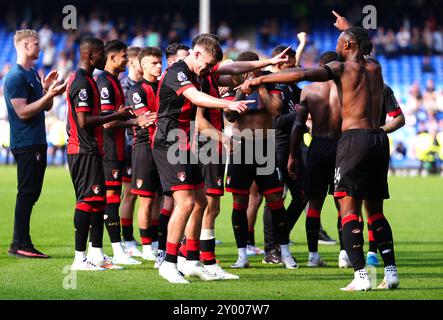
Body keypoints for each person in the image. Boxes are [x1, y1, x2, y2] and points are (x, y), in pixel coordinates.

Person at [240, 23, 399, 291]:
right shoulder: (375, 68)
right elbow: (364, 46)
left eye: (340, 41)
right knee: (376, 212)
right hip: (379, 141)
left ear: (348, 46)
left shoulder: (339, 69)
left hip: (353, 140)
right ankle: (391, 272)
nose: (336, 45)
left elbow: (301, 73)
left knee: (348, 209)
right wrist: (350, 29)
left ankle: (361, 276)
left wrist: (260, 79)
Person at [153, 34, 253, 283]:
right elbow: (196, 99)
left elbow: (233, 67)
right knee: (186, 202)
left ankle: (192, 261)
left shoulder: (197, 74)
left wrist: (268, 62)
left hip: (185, 143)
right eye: (207, 65)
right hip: (169, 142)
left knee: (200, 202)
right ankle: (169, 262)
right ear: (195, 54)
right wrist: (226, 104)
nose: (209, 70)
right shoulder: (177, 72)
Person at [66, 37, 135, 271]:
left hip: (92, 149)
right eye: (101, 54)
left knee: (97, 202)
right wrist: (116, 115)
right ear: (90, 56)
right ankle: (79, 259)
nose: (104, 58)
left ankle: (96, 255)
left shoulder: (88, 80)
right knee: (87, 201)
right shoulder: (82, 83)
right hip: (83, 149)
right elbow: (84, 121)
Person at [225, 50, 298, 270]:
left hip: (265, 145)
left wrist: (260, 84)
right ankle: (242, 254)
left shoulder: (270, 81)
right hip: (241, 146)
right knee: (239, 202)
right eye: (245, 67)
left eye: (253, 67)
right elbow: (230, 116)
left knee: (276, 200)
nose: (250, 71)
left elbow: (276, 110)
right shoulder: (231, 84)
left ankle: (284, 251)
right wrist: (241, 91)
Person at [4, 29, 67, 258]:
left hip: (37, 141)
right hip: (26, 142)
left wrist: (47, 91)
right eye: (36, 44)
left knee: (32, 193)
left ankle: (21, 242)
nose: (40, 47)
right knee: (27, 193)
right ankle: (20, 243)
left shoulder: (32, 73)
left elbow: (46, 108)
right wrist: (48, 96)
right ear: (24, 46)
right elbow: (22, 112)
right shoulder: (15, 76)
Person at [287, 51, 342, 268]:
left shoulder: (309, 90)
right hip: (341, 146)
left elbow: (298, 125)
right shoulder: (347, 91)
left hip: (317, 147)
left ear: (320, 68)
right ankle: (345, 254)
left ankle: (312, 256)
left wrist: (292, 155)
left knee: (314, 203)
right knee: (343, 202)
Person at [95, 39, 144, 265]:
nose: (127, 59)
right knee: (111, 199)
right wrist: (135, 121)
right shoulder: (105, 83)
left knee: (114, 198)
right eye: (124, 56)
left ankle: (104, 250)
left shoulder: (113, 81)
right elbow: (106, 123)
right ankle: (117, 250)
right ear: (112, 57)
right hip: (108, 150)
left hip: (117, 149)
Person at [127, 47, 163, 261]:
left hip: (165, 147)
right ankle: (147, 245)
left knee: (161, 198)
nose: (158, 66)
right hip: (144, 147)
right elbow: (147, 118)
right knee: (146, 200)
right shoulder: (137, 91)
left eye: (160, 62)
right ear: (142, 65)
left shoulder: (165, 86)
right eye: (153, 63)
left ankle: (158, 242)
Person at [119, 46, 143, 256]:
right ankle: (127, 239)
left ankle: (150, 239)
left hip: (145, 147)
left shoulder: (147, 85)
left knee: (150, 195)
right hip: (128, 146)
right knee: (130, 195)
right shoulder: (123, 86)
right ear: (132, 63)